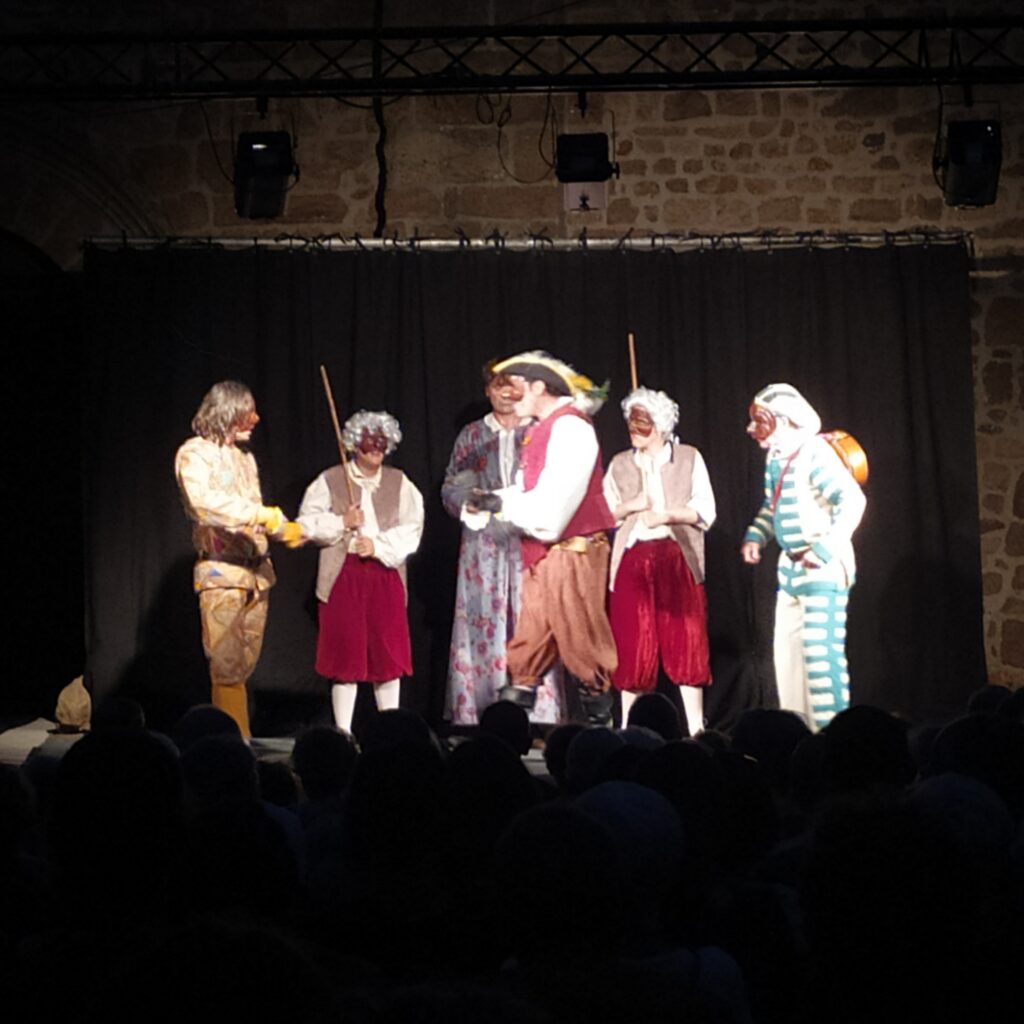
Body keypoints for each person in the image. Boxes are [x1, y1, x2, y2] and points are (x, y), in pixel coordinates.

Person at [481, 350, 618, 717]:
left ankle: (601, 725)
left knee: (582, 639)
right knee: (529, 643)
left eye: (519, 389)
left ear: (540, 387)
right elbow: (531, 491)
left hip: (572, 549)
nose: (511, 397)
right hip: (544, 553)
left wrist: (505, 508)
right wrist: (492, 500)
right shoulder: (541, 429)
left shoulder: (571, 428)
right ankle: (511, 722)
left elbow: (555, 509)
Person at [175, 380, 302, 737]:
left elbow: (256, 515)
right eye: (249, 411)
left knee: (244, 664)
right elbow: (205, 505)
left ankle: (235, 736)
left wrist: (288, 529)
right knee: (226, 663)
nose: (256, 419)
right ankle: (232, 741)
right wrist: (261, 515)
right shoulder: (194, 454)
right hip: (221, 572)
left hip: (257, 574)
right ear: (229, 411)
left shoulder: (245, 459)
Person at [442, 362, 564, 725]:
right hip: (484, 543)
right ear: (488, 391)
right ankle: (481, 707)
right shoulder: (472, 435)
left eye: (513, 387)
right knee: (483, 619)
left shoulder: (538, 430)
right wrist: (469, 501)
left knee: (533, 617)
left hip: (527, 537)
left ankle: (538, 712)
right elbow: (451, 485)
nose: (507, 394)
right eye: (499, 387)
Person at [741, 383, 866, 731]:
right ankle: (797, 736)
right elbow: (772, 506)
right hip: (791, 570)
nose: (753, 429)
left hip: (823, 570)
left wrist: (824, 548)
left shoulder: (815, 454)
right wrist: (756, 535)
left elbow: (852, 501)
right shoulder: (776, 458)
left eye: (761, 421)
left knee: (821, 658)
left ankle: (832, 736)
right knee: (787, 659)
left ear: (783, 421)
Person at [297, 410, 424, 734]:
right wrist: (343, 522)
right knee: (346, 658)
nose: (377, 447)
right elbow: (306, 524)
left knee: (387, 656)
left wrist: (378, 547)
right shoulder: (330, 479)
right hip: (344, 575)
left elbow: (413, 527)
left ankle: (391, 729)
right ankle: (343, 732)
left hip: (385, 575)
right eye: (369, 440)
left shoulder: (400, 482)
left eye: (382, 440)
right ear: (355, 444)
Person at [604, 387, 716, 737]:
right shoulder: (621, 464)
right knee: (632, 643)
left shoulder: (688, 458)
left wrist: (667, 515)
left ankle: (695, 728)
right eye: (631, 421)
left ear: (661, 425)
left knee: (686, 639)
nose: (633, 429)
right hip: (633, 560)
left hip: (677, 558)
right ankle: (627, 727)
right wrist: (632, 505)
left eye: (642, 422)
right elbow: (604, 514)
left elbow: (705, 511)